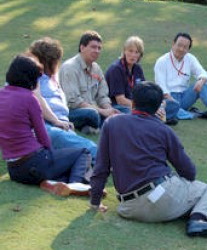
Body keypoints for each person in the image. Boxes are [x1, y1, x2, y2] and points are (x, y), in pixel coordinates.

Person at [89, 81, 207, 237]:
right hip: (160, 199)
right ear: (158, 107)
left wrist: (95, 203)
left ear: (133, 103)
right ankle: (199, 220)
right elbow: (189, 172)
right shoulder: (163, 130)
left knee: (178, 194)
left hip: (128, 208)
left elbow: (101, 168)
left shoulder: (112, 123)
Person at [0, 55, 92, 196]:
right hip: (35, 162)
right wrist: (51, 156)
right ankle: (75, 185)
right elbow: (42, 135)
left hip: (15, 170)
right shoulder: (29, 98)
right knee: (83, 152)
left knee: (61, 164)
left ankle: (51, 182)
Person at [29, 37, 98, 165]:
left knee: (77, 139)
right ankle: (106, 160)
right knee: (80, 144)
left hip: (62, 123)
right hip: (45, 124)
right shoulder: (32, 75)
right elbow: (36, 99)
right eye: (56, 60)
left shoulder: (53, 77)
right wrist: (56, 120)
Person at [154, 32, 207, 127]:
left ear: (188, 49)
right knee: (166, 108)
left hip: (184, 97)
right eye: (179, 45)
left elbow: (203, 73)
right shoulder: (162, 61)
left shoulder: (190, 59)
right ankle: (198, 114)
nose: (181, 49)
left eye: (185, 47)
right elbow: (161, 86)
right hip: (168, 98)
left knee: (202, 84)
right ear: (173, 44)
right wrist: (171, 101)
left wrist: (201, 81)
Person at [59, 30, 120, 134]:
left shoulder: (96, 68)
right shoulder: (70, 68)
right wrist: (102, 111)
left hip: (95, 108)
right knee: (92, 115)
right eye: (93, 47)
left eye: (99, 48)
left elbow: (102, 96)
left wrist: (109, 111)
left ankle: (94, 128)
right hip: (74, 111)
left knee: (122, 111)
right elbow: (74, 102)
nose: (97, 51)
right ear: (82, 48)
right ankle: (100, 127)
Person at [105, 36, 146, 114]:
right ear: (124, 51)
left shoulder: (138, 68)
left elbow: (144, 92)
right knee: (130, 112)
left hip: (134, 105)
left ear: (140, 55)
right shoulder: (116, 69)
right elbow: (120, 100)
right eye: (130, 51)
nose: (133, 55)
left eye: (136, 52)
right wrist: (141, 108)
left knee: (169, 105)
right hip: (116, 106)